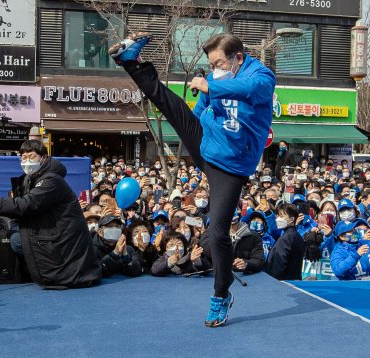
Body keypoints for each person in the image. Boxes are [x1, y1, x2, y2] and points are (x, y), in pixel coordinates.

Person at [109, 32, 276, 327]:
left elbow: (250, 89)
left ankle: (221, 294)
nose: (215, 69)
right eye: (211, 65)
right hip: (207, 143)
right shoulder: (217, 79)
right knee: (170, 106)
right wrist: (194, 108)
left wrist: (211, 83)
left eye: (220, 63)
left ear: (239, 57)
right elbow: (199, 113)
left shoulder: (261, 76)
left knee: (219, 232)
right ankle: (131, 62)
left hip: (231, 165)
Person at [0, 140, 102, 289]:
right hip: (51, 231)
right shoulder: (31, 179)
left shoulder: (52, 180)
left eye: (32, 156)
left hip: (63, 240)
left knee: (16, 240)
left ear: (43, 157)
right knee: (11, 235)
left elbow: (26, 205)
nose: (27, 160)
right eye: (23, 157)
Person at [265, 203, 305, 280]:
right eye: (277, 216)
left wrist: (273, 281)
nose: (278, 219)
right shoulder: (296, 235)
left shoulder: (286, 238)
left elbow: (279, 264)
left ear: (292, 219)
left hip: (283, 283)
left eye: (282, 216)